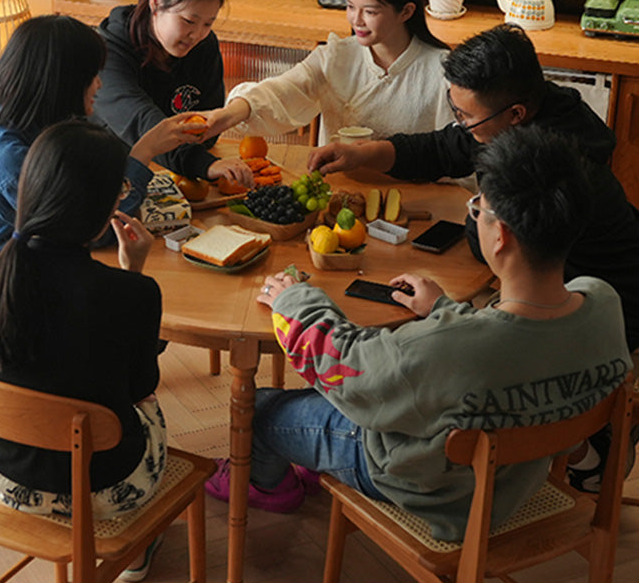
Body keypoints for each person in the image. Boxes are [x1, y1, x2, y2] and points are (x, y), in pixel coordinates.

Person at [205, 127, 632, 541]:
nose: (475, 213)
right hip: (521, 477)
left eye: (477, 207)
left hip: (440, 492)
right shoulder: (602, 302)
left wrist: (295, 301)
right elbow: (506, 341)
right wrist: (444, 309)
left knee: (260, 410)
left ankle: (270, 490)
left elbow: (346, 368)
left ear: (499, 235)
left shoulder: (448, 348)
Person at [308, 23, 639, 355]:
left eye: (466, 116)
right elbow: (442, 149)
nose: (461, 124)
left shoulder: (547, 169)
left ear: (515, 115)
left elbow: (491, 248)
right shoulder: (526, 113)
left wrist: (444, 307)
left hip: (599, 319)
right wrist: (361, 153)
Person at [0, 14, 202, 349]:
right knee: (135, 322)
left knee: (129, 315)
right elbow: (93, 229)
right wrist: (143, 154)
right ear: (62, 83)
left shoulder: (13, 113)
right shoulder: (9, 160)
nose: (99, 85)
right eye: (92, 76)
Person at [0, 119, 165, 581]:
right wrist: (133, 274)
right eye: (121, 187)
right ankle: (134, 542)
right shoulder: (132, 294)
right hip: (104, 485)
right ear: (102, 206)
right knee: (150, 406)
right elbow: (141, 389)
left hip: (7, 473)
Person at [201, 0, 453, 145]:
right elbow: (283, 90)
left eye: (370, 11)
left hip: (412, 203)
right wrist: (230, 114)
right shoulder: (337, 57)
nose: (356, 20)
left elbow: (455, 159)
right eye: (351, 7)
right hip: (336, 196)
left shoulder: (442, 71)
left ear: (406, 12)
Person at [93, 0, 253, 187]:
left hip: (173, 172)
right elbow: (144, 126)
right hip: (107, 173)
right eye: (189, 21)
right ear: (156, 5)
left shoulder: (203, 45)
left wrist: (201, 152)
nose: (197, 34)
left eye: (208, 23)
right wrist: (204, 165)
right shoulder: (110, 50)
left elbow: (207, 125)